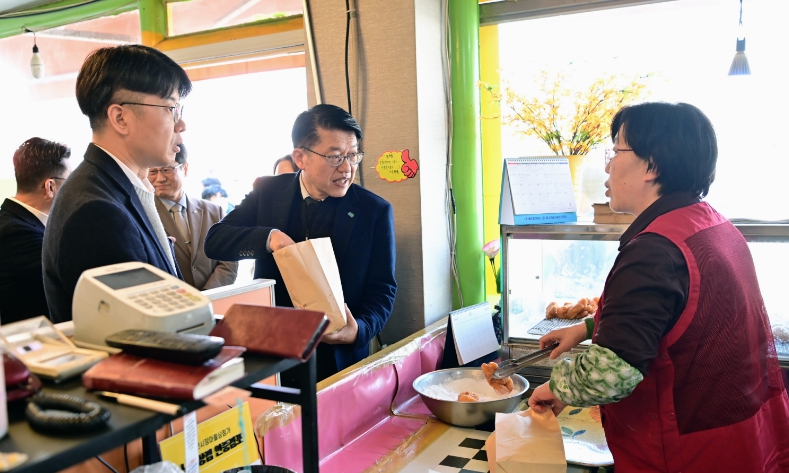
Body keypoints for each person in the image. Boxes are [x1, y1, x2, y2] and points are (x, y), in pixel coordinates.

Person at [528, 102, 789, 471]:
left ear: (652, 165)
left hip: (685, 454)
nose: (607, 165)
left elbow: (611, 374)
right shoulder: (712, 225)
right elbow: (678, 315)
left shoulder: (654, 251)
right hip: (743, 437)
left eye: (616, 150)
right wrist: (587, 327)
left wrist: (556, 389)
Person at [205, 104, 397, 382]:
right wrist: (268, 237)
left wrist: (360, 330)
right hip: (276, 351)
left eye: (353, 155)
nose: (347, 168)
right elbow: (216, 241)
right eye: (335, 157)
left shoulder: (373, 210)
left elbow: (383, 288)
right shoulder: (268, 192)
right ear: (301, 157)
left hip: (339, 358)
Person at [43, 44, 190, 323]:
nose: (181, 124)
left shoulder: (115, 188)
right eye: (171, 107)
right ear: (120, 118)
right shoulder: (96, 211)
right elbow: (140, 331)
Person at [0, 138, 70, 324]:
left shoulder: (18, 223)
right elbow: (69, 277)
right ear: (50, 187)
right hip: (34, 345)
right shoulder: (15, 232)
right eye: (69, 181)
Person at [149, 144, 238, 290]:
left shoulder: (214, 212)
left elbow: (229, 261)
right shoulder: (144, 214)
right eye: (153, 171)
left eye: (167, 169)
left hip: (214, 300)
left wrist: (207, 295)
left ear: (185, 169)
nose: (160, 178)